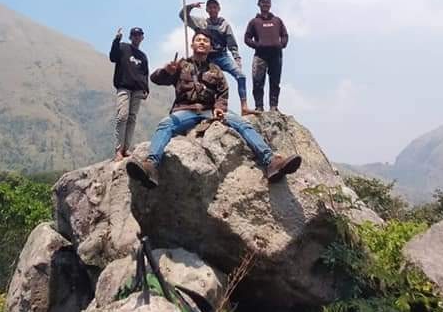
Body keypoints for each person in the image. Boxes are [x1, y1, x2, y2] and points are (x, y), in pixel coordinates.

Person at [125, 30, 301, 189]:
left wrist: (219, 108)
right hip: (185, 110)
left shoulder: (216, 70)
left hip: (210, 110)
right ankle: (151, 166)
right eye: (198, 40)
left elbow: (223, 92)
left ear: (210, 47)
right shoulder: (180, 65)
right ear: (192, 45)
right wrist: (166, 70)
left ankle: (271, 162)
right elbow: (156, 79)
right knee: (166, 124)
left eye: (205, 41)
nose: (202, 42)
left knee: (242, 123)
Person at [180, 0, 252, 115]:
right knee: (201, 80)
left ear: (218, 9)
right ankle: (200, 105)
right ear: (207, 9)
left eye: (215, 7)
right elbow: (182, 16)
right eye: (210, 7)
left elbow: (232, 44)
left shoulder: (225, 25)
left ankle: (244, 106)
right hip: (207, 57)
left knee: (241, 76)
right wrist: (191, 6)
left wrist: (237, 58)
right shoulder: (202, 23)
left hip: (222, 56)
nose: (213, 9)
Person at [109, 26, 150, 161]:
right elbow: (113, 57)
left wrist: (146, 88)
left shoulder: (143, 56)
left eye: (139, 35)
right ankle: (118, 150)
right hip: (124, 87)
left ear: (142, 38)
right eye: (134, 35)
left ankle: (126, 149)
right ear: (130, 37)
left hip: (137, 90)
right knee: (122, 116)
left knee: (132, 118)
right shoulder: (123, 47)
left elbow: (145, 74)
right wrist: (116, 40)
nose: (137, 37)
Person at [244, 0, 288, 112]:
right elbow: (247, 38)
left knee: (275, 81)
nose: (266, 4)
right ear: (259, 4)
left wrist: (281, 44)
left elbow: (285, 35)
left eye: (268, 2)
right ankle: (259, 106)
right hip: (260, 55)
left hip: (276, 55)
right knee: (258, 81)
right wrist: (257, 45)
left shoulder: (277, 20)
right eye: (263, 2)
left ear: (270, 4)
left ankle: (274, 107)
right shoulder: (254, 22)